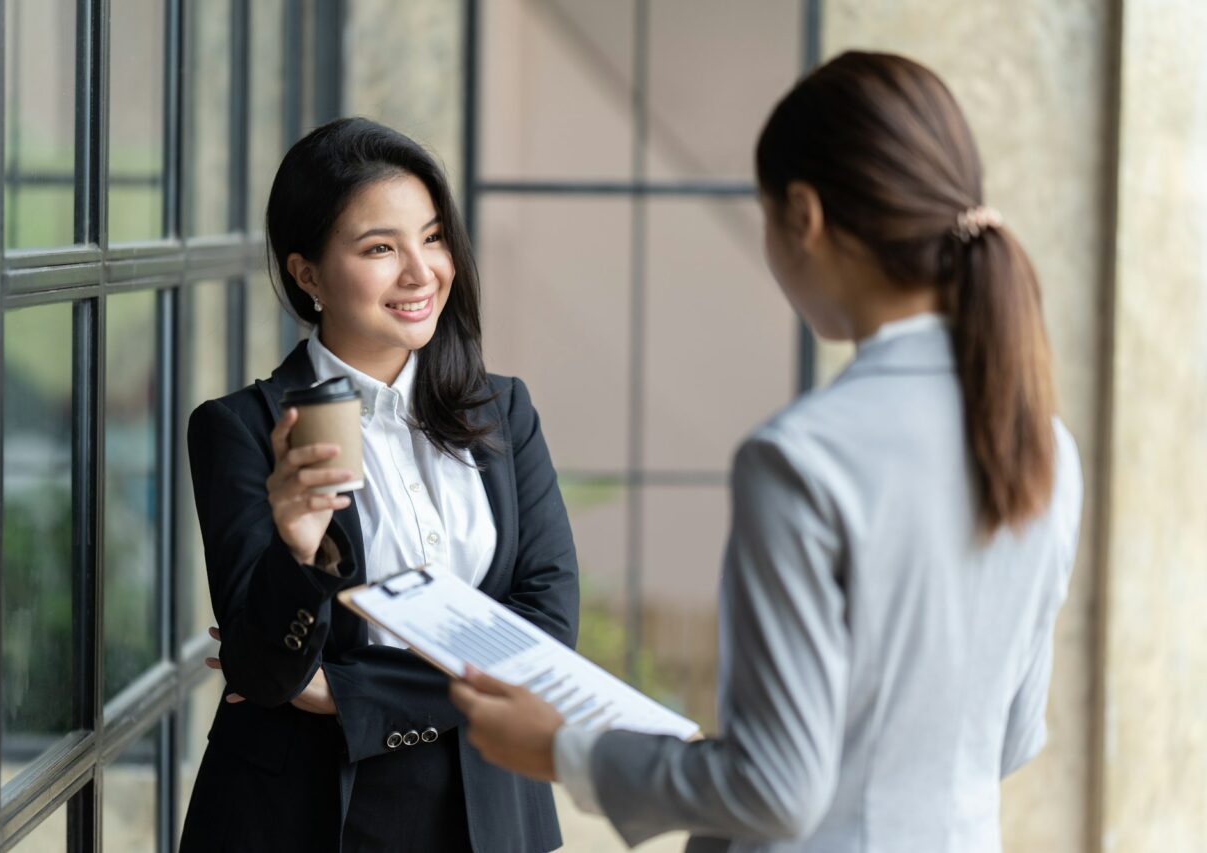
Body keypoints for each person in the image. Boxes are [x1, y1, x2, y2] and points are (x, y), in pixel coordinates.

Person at [450, 51, 1083, 852]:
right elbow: (1013, 735)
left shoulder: (803, 460)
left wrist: (560, 748)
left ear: (803, 215)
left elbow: (777, 788)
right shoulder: (1040, 441)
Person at [180, 117, 579, 852]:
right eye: (379, 248)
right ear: (306, 273)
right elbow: (268, 673)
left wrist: (348, 693)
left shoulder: (504, 413)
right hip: (305, 818)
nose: (421, 271)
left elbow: (547, 638)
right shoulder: (242, 430)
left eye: (432, 237)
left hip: (490, 814)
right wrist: (296, 553)